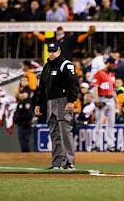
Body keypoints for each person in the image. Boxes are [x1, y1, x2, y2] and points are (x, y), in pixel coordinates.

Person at [34, 42, 79, 170]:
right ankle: (57, 163)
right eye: (50, 51)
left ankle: (69, 163)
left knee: (65, 132)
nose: (52, 53)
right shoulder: (47, 66)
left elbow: (73, 83)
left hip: (63, 101)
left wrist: (71, 100)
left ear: (59, 51)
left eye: (54, 51)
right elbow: (42, 87)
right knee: (55, 134)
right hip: (50, 102)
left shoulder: (66, 64)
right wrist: (38, 103)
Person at [91, 57, 118, 152]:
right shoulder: (99, 73)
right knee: (99, 123)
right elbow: (95, 88)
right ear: (108, 64)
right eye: (112, 64)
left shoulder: (112, 74)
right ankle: (97, 145)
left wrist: (117, 103)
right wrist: (96, 100)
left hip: (111, 100)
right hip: (102, 99)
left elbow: (113, 89)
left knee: (111, 124)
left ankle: (110, 146)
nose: (114, 66)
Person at [14, 76, 34, 152]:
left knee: (25, 140)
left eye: (25, 80)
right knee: (22, 140)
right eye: (22, 80)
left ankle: (27, 157)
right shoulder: (21, 93)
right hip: (20, 122)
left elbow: (24, 95)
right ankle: (25, 155)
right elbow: (18, 96)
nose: (23, 82)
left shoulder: (28, 90)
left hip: (26, 122)